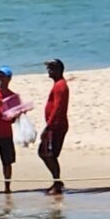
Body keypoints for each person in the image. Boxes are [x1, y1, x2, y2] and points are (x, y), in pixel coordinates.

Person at [38, 59, 71, 195]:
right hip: (55, 125)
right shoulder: (58, 85)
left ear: (58, 70)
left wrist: (48, 127)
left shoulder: (60, 86)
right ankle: (57, 181)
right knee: (46, 153)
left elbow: (57, 108)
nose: (49, 71)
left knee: (48, 154)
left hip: (56, 126)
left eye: (51, 69)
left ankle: (57, 183)